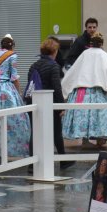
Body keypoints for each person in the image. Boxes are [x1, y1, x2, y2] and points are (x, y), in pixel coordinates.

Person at [61, 32, 107, 146]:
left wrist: (64, 88)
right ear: (101, 43)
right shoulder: (103, 55)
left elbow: (74, 71)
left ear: (90, 43)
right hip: (99, 91)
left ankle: (85, 140)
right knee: (99, 116)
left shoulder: (85, 54)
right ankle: (99, 140)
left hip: (82, 92)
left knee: (84, 115)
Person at [25, 38, 73, 169]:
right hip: (49, 104)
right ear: (54, 52)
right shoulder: (54, 66)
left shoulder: (33, 65)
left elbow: (30, 85)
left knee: (35, 132)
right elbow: (57, 88)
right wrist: (61, 106)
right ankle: (63, 160)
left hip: (34, 102)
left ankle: (31, 165)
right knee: (56, 132)